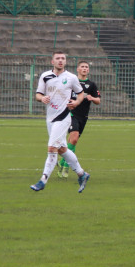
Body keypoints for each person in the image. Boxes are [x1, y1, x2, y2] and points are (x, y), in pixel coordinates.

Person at [30, 52, 90, 193]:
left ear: (66, 61)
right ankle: (82, 174)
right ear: (52, 61)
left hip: (63, 118)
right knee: (62, 149)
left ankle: (43, 180)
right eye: (58, 58)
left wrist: (76, 102)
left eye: (63, 58)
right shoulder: (45, 76)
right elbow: (38, 94)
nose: (61, 61)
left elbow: (80, 93)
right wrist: (42, 98)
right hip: (50, 118)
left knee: (52, 148)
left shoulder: (71, 77)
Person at [58, 60, 101, 179]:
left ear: (88, 70)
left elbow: (98, 101)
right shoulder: (71, 82)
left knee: (72, 141)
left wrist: (92, 98)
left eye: (86, 67)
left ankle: (62, 162)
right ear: (77, 69)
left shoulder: (91, 85)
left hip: (83, 116)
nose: (84, 69)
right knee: (74, 139)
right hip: (70, 114)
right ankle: (66, 167)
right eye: (82, 67)